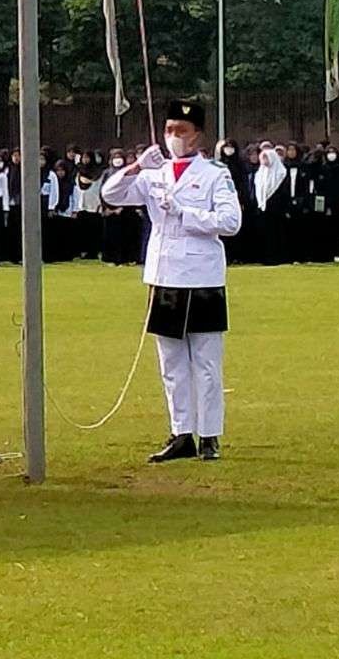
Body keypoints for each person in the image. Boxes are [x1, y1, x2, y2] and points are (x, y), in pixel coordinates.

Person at [101, 100, 242, 464]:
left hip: (201, 275)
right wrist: (135, 166)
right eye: (168, 130)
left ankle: (210, 434)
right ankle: (182, 433)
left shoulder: (214, 174)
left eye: (180, 131)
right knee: (171, 362)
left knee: (206, 361)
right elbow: (110, 194)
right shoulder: (154, 174)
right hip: (164, 276)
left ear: (196, 136)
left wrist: (185, 213)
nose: (173, 137)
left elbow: (230, 222)